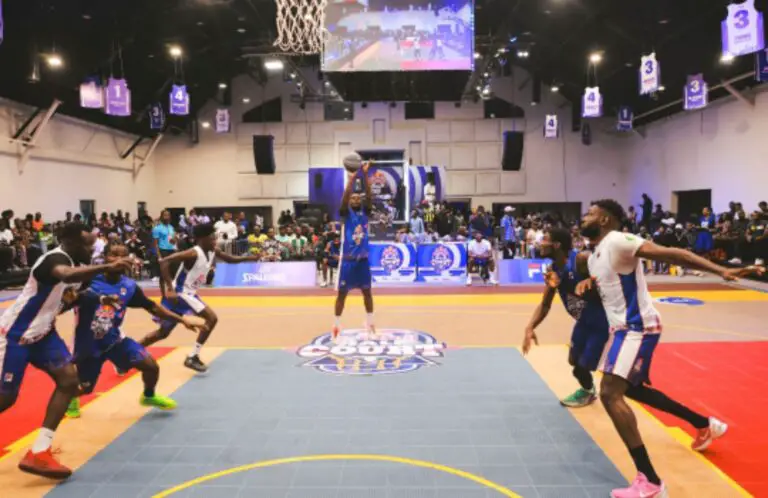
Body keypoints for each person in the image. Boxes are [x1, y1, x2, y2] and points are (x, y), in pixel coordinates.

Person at [577, 199, 764, 498]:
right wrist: (588, 285)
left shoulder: (618, 241)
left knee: (610, 393)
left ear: (604, 220)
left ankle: (650, 482)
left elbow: (674, 253)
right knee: (632, 390)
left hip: (637, 327)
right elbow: (614, 292)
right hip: (623, 329)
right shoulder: (594, 256)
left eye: (590, 213)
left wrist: (721, 270)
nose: (584, 217)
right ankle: (704, 424)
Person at [0, 222, 133, 479]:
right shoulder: (54, 260)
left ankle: (39, 452)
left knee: (69, 381)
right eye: (87, 245)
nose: (92, 250)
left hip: (44, 335)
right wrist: (107, 267)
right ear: (70, 242)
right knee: (6, 398)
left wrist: (101, 298)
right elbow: (66, 275)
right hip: (16, 335)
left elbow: (74, 294)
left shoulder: (77, 266)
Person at [64, 242, 206, 419]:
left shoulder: (129, 286)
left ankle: (148, 396)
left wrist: (182, 319)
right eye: (114, 255)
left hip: (115, 341)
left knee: (151, 366)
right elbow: (68, 296)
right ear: (104, 258)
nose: (119, 259)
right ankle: (71, 398)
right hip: (88, 344)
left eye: (123, 255)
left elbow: (151, 307)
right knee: (85, 388)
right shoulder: (89, 280)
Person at [136, 223, 261, 373]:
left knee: (163, 333)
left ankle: (130, 353)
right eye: (212, 238)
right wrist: (170, 288)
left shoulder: (212, 250)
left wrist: (250, 258)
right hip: (181, 293)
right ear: (202, 239)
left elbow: (229, 258)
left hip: (187, 294)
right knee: (212, 318)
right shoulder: (193, 253)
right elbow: (164, 262)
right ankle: (192, 357)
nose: (215, 240)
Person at [522, 227, 608, 408]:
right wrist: (530, 327)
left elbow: (609, 274)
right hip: (583, 322)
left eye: (544, 239)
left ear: (556, 245)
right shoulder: (554, 269)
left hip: (601, 322)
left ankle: (592, 392)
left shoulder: (581, 260)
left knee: (582, 366)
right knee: (573, 361)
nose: (540, 243)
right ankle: (589, 390)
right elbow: (545, 304)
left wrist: (593, 281)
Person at [333, 162, 375, 339]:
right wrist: (351, 180)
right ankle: (336, 325)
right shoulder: (345, 212)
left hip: (363, 262)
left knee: (368, 294)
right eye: (353, 198)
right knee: (342, 296)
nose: (356, 199)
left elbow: (369, 196)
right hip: (348, 262)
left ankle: (370, 323)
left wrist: (364, 174)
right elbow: (345, 197)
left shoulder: (365, 212)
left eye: (358, 198)